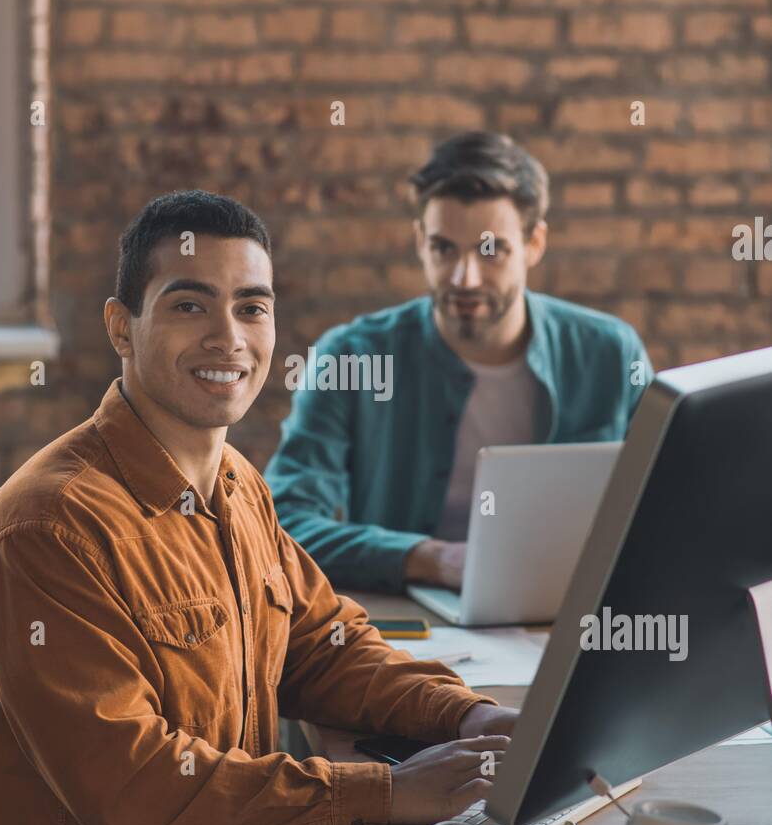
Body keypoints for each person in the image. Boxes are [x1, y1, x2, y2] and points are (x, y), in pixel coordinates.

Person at [0, 190, 517, 825]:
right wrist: (387, 792)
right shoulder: (49, 529)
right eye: (190, 304)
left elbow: (323, 644)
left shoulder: (235, 486)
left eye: (252, 308)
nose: (228, 339)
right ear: (121, 327)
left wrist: (462, 716)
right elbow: (136, 786)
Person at [265, 132, 653, 594]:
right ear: (419, 242)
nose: (463, 278)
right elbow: (283, 523)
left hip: (569, 618)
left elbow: (665, 507)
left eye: (491, 251)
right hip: (411, 621)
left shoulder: (610, 354)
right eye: (444, 249)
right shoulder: (351, 356)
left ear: (534, 244)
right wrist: (431, 560)